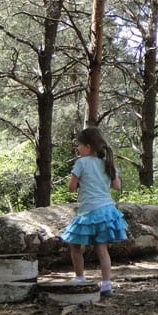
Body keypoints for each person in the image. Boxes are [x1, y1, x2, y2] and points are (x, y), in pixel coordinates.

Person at [60, 127, 127, 296]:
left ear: (88, 147)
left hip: (89, 210)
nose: (78, 149)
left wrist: (84, 182)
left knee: (74, 244)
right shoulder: (107, 163)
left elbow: (71, 187)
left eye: (79, 146)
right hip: (107, 210)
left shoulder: (81, 163)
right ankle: (106, 285)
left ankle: (80, 277)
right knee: (102, 248)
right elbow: (117, 186)